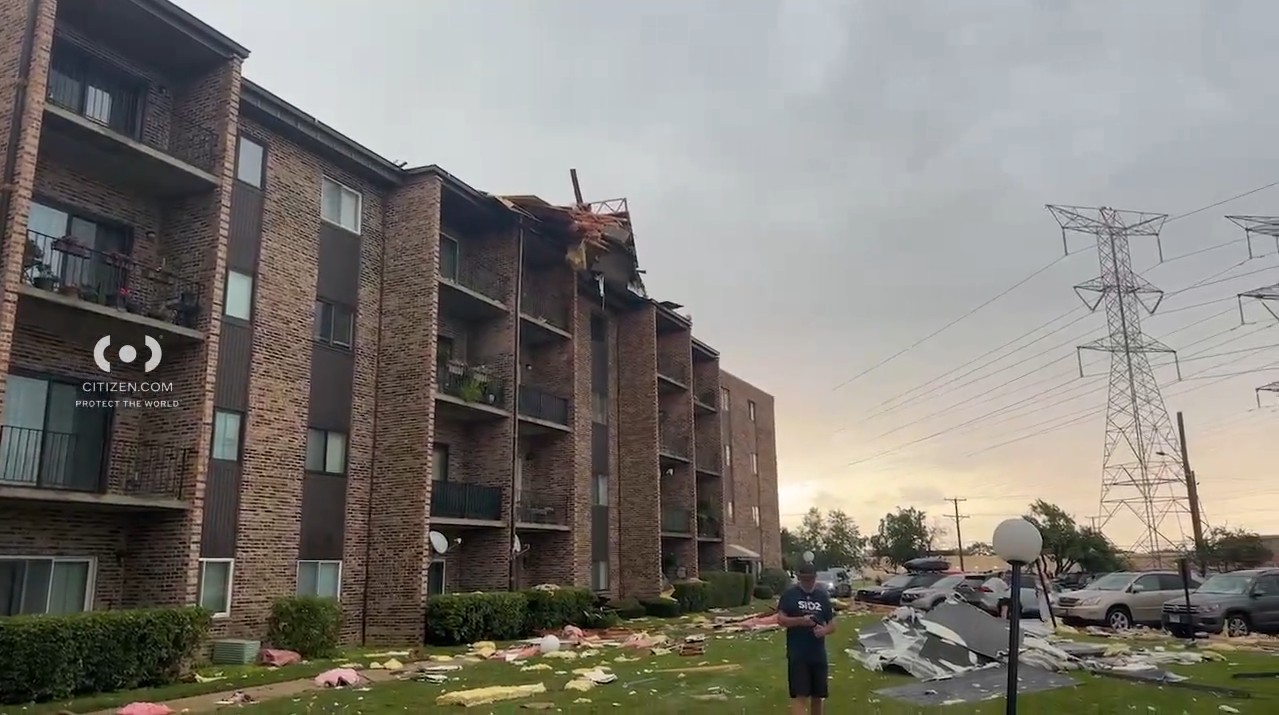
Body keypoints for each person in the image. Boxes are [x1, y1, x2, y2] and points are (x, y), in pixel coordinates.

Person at [776, 562, 835, 714]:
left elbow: (832, 625)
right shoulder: (790, 595)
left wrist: (824, 630)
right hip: (798, 653)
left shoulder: (822, 596)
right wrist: (801, 621)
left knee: (818, 695)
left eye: (811, 579)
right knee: (800, 694)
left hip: (818, 653)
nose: (808, 582)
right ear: (799, 578)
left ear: (815, 578)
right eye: (804, 579)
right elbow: (781, 620)